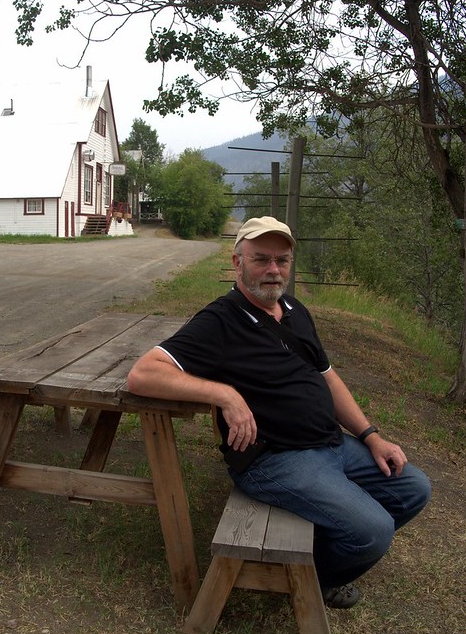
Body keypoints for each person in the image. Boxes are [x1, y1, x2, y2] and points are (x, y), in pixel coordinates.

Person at [126, 216, 431, 609]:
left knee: (413, 488)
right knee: (373, 530)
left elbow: (328, 378)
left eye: (282, 260)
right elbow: (143, 374)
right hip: (277, 460)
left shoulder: (293, 309)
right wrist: (225, 394)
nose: (273, 270)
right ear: (237, 263)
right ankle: (313, 583)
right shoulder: (219, 321)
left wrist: (371, 436)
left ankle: (320, 556)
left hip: (334, 445)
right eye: (261, 259)